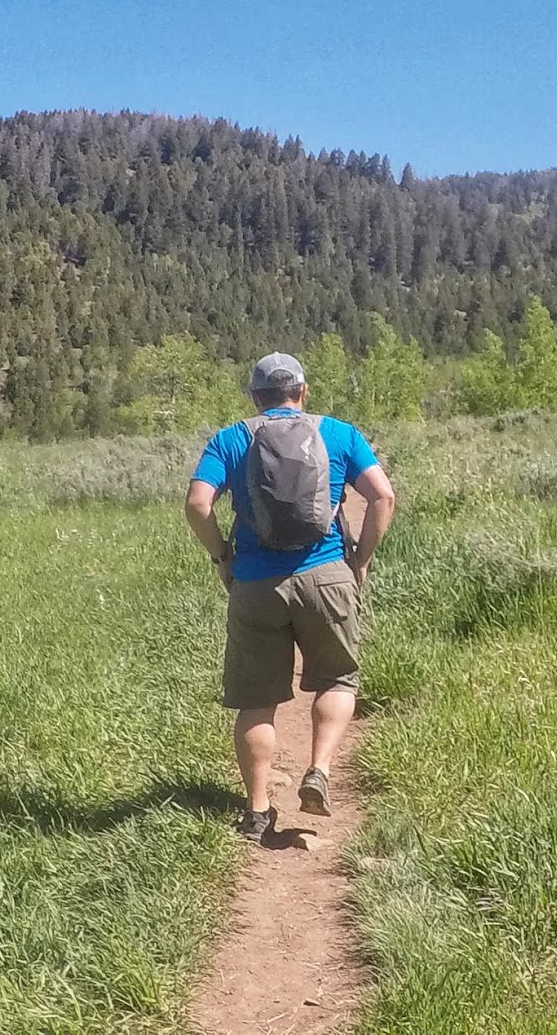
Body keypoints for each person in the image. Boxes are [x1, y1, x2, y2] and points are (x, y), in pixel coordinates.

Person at [184, 352, 397, 840]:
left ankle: (258, 810)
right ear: (302, 392)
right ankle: (318, 770)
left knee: (256, 700)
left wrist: (224, 557)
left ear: (256, 398)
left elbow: (198, 504)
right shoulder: (339, 432)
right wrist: (358, 560)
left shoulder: (231, 438)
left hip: (256, 585)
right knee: (339, 679)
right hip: (327, 575)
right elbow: (382, 496)